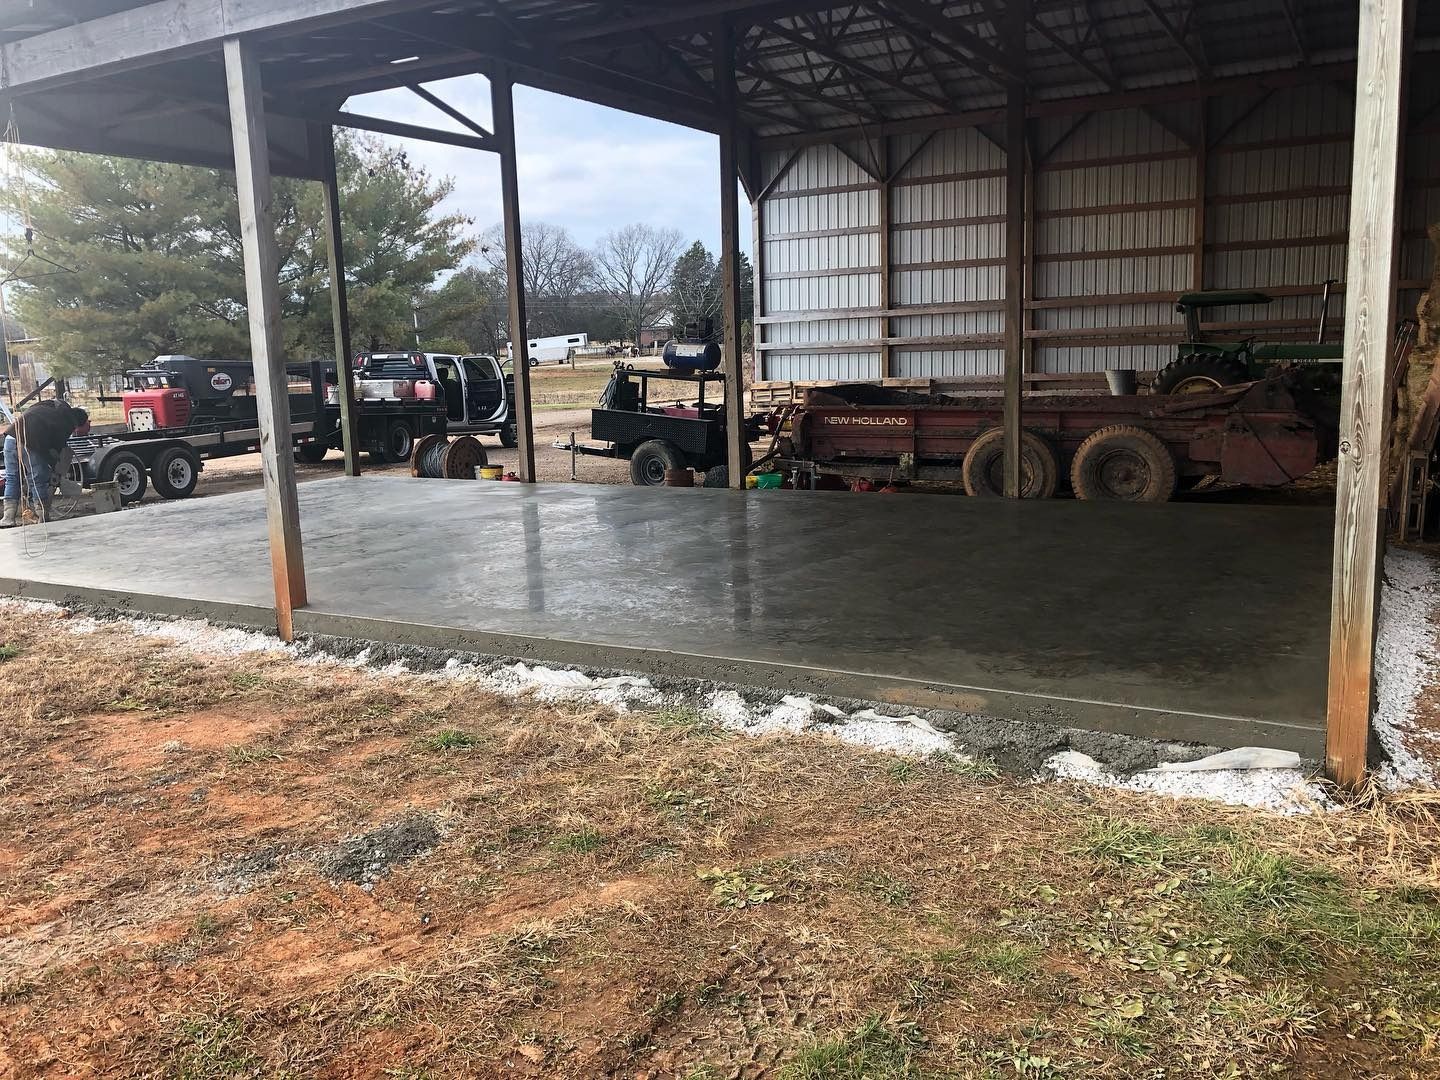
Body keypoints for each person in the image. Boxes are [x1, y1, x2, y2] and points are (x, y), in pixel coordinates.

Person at [2, 399, 87, 527]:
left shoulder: (52, 405)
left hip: (11, 436)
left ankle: (8, 518)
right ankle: (43, 516)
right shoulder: (68, 421)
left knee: (12, 478)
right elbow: (57, 448)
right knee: (37, 478)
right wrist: (53, 470)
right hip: (30, 440)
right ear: (77, 424)